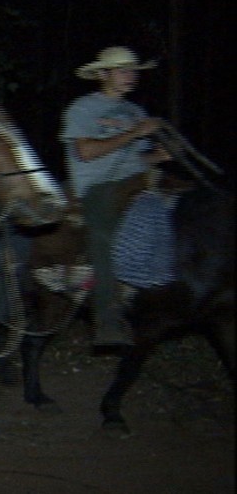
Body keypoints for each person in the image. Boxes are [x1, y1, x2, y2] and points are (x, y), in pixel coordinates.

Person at [60, 46, 171, 346]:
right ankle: (106, 319)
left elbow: (136, 158)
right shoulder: (83, 109)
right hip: (98, 186)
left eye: (133, 71)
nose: (131, 76)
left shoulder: (136, 112)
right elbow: (86, 152)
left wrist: (156, 157)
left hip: (138, 182)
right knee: (101, 234)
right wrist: (134, 133)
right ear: (101, 74)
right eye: (123, 70)